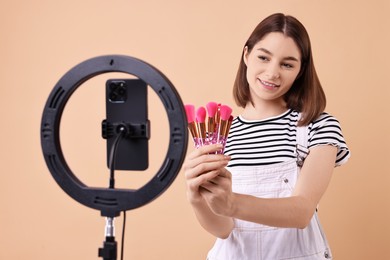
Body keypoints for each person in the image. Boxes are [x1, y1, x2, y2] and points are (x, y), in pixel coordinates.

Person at [183, 13, 350, 260]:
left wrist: (231, 203)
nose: (272, 73)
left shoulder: (317, 126)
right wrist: (196, 197)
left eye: (287, 64)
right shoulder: (221, 134)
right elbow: (223, 229)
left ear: (300, 71)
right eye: (263, 57)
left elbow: (301, 212)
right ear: (246, 55)